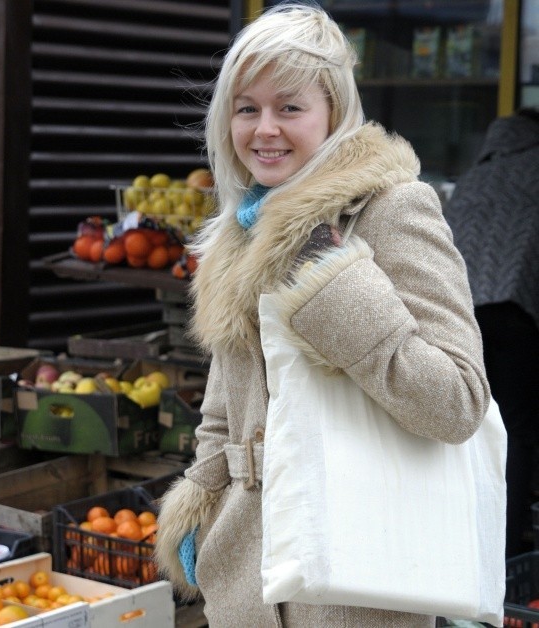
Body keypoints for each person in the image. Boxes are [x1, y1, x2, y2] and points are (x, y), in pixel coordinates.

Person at [155, 3, 490, 627]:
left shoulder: (394, 209)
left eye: (290, 107)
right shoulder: (244, 226)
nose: (264, 129)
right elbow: (228, 402)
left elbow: (458, 403)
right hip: (246, 579)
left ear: (333, 110)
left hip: (357, 583)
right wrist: (201, 499)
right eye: (246, 107)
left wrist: (332, 287)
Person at [443, 107, 539, 558]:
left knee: (470, 427)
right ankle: (500, 558)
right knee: (517, 432)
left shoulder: (474, 176)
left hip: (458, 311)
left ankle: (459, 549)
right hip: (514, 312)